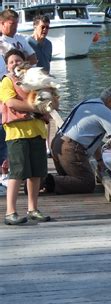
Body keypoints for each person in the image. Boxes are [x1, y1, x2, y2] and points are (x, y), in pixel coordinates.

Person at [49, 87, 111, 194]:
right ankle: (43, 181)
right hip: (70, 148)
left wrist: (99, 160)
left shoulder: (87, 103)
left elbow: (93, 137)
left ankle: (45, 182)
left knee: (69, 178)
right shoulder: (105, 112)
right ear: (110, 101)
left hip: (57, 144)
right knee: (86, 183)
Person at [0, 49, 53, 225]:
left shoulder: (35, 80)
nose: (15, 64)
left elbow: (48, 100)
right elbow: (10, 102)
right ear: (7, 65)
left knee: (36, 173)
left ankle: (33, 209)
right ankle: (10, 212)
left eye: (18, 61)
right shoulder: (6, 81)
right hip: (17, 134)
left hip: (37, 132)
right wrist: (35, 107)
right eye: (11, 62)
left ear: (24, 63)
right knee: (17, 173)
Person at [27, 15, 53, 156]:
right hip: (31, 84)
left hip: (45, 83)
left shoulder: (49, 44)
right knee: (32, 115)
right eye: (42, 27)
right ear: (35, 27)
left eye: (47, 27)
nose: (45, 30)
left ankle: (47, 145)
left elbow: (48, 63)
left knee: (46, 115)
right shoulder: (27, 43)